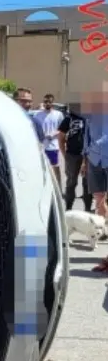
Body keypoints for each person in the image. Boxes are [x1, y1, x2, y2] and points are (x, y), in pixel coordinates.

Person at [80, 86, 108, 271]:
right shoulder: (91, 114)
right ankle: (103, 230)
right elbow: (86, 136)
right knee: (99, 199)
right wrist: (85, 157)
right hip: (93, 159)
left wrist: (94, 146)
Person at [58, 104, 91, 211]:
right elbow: (61, 137)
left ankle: (87, 210)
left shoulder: (91, 118)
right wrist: (65, 155)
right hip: (72, 155)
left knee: (87, 183)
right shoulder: (69, 118)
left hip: (89, 155)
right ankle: (68, 209)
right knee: (71, 182)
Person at [32, 93, 65, 183]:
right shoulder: (37, 115)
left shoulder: (58, 115)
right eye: (45, 101)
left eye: (49, 102)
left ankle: (59, 189)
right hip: (41, 145)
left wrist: (52, 134)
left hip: (53, 146)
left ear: (52, 102)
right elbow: (34, 128)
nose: (47, 103)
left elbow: (62, 129)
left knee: (55, 167)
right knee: (42, 168)